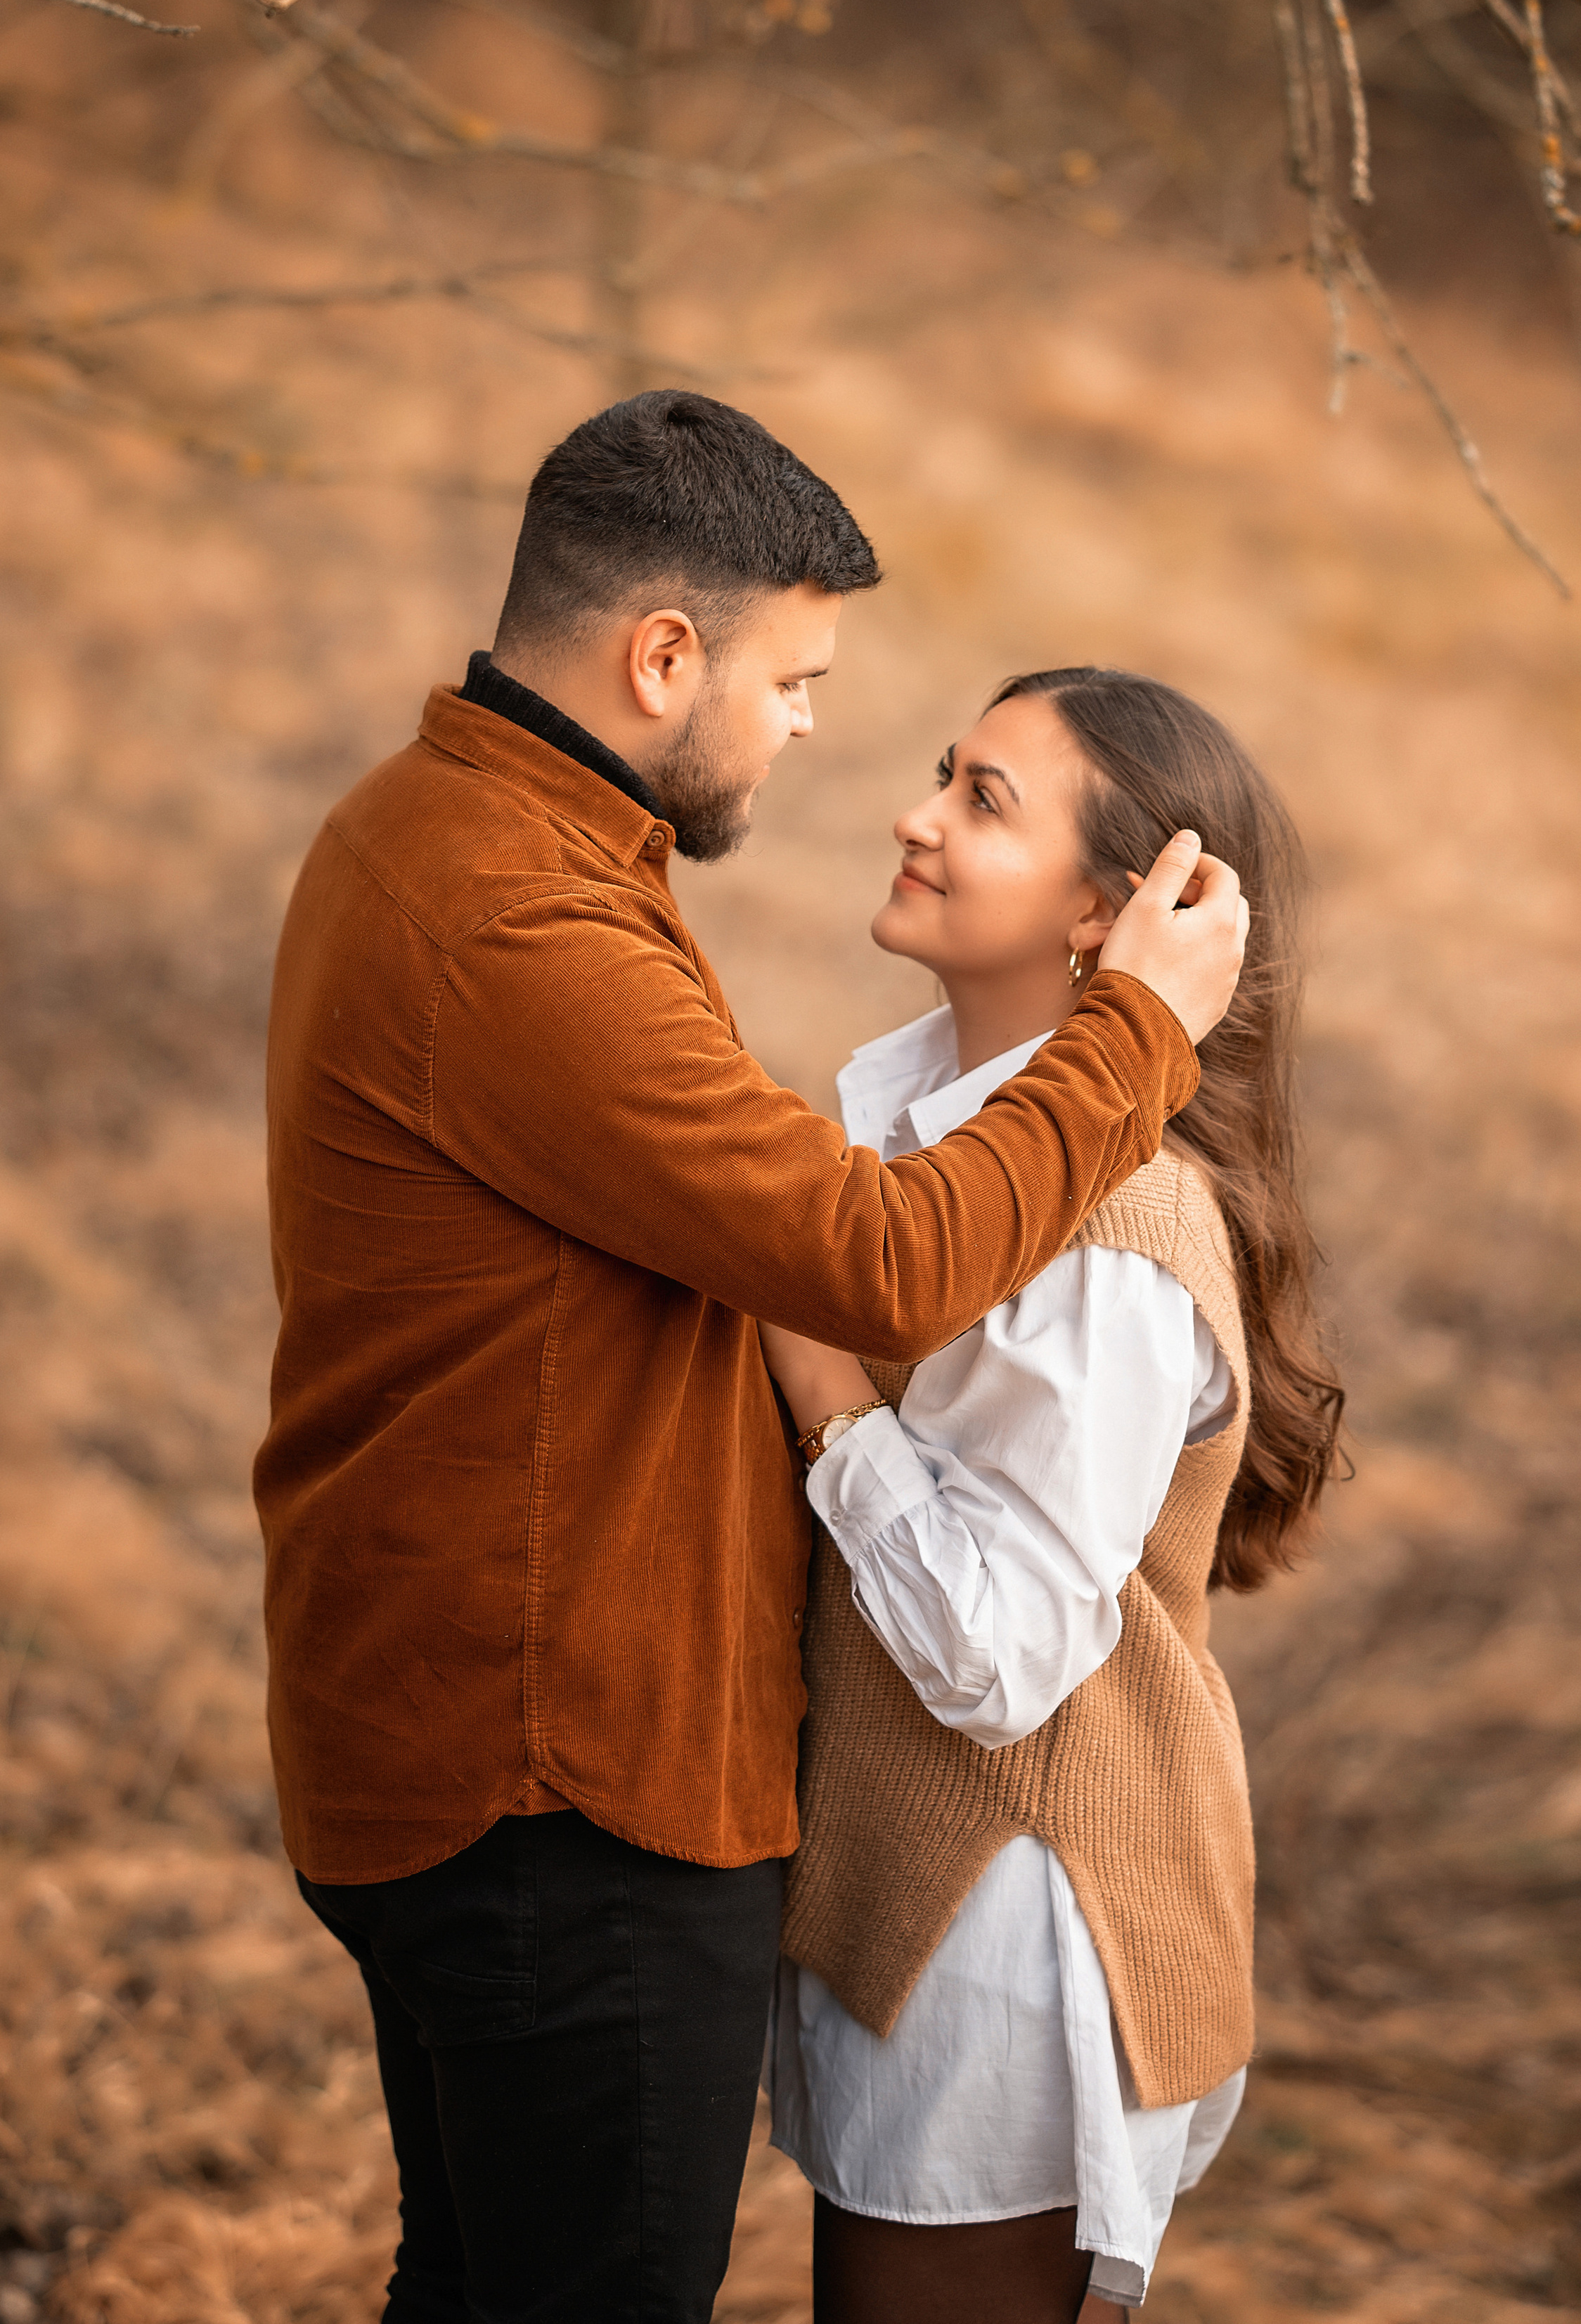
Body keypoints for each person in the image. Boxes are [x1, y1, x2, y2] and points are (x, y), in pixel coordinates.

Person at [255, 396, 1249, 2324]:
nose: (817, 734)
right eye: (795, 680)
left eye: (975, 787)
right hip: (554, 1787)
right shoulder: (516, 913)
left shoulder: (471, 834)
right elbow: (870, 1263)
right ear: (661, 657)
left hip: (527, 1751)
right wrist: (1137, 1038)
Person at [760, 666, 1345, 2324]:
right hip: (899, 1873)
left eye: (982, 801)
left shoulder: (1120, 1239)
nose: (916, 814)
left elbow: (999, 1651)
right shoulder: (907, 1115)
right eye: (944, 772)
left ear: (1103, 915)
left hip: (1013, 1922)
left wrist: (814, 1382)